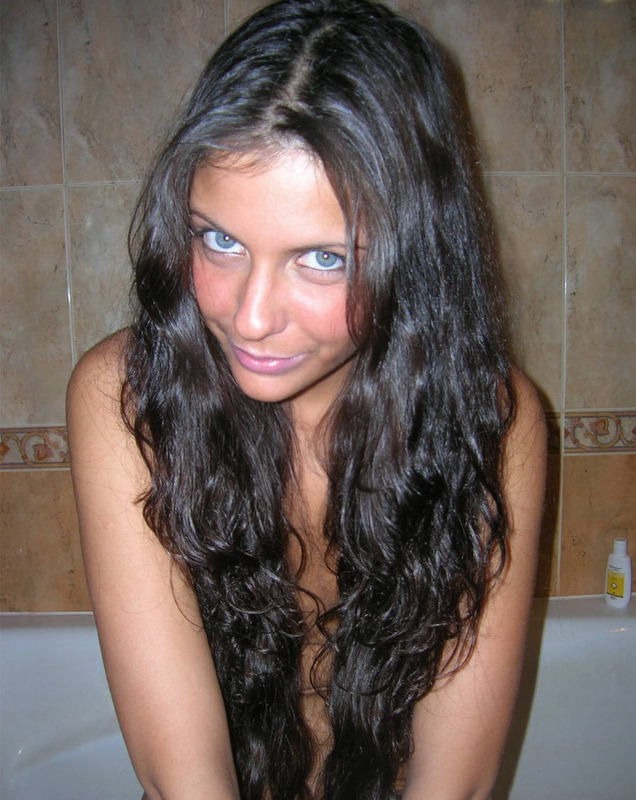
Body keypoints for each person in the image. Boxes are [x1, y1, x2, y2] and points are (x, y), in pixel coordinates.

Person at [67, 1, 547, 798]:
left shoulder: (493, 418)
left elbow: (453, 782)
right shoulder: (127, 399)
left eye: (323, 258)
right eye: (219, 239)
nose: (251, 316)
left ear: (412, 255)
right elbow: (183, 780)